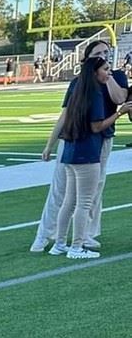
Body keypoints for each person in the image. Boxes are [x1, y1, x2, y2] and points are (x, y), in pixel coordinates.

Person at [38, 50, 131, 258]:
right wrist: (119, 113)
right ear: (95, 72)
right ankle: (77, 247)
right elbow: (97, 127)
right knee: (84, 203)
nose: (109, 73)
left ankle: (59, 244)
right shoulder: (95, 93)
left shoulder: (78, 89)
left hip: (71, 151)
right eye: (105, 69)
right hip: (87, 153)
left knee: (69, 201)